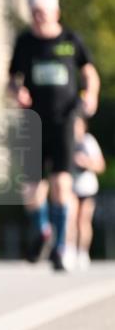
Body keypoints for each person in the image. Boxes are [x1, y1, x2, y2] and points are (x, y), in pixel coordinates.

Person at [8, 0, 100, 272]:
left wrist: (91, 96)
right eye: (34, 13)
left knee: (62, 184)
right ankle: (43, 229)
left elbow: (90, 73)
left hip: (64, 121)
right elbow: (12, 78)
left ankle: (62, 247)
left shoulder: (71, 40)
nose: (39, 18)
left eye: (44, 13)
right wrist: (17, 92)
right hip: (33, 122)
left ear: (56, 12)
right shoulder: (24, 42)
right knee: (31, 189)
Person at [70, 114, 105, 269]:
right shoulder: (66, 140)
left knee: (83, 220)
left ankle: (83, 252)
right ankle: (69, 250)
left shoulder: (88, 141)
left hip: (86, 187)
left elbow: (100, 165)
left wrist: (85, 162)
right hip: (70, 187)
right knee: (70, 219)